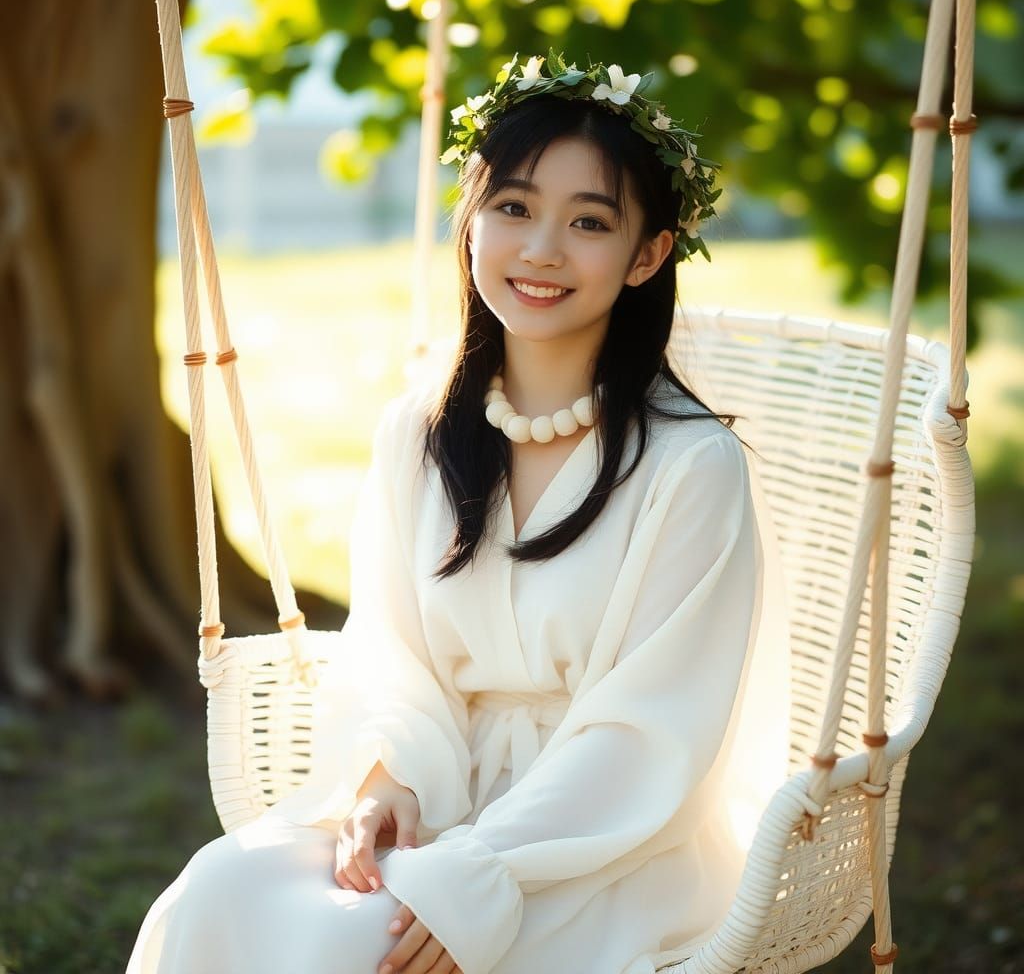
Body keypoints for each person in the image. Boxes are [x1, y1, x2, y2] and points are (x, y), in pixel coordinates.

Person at [126, 51, 791, 974]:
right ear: (472, 221)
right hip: (437, 796)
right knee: (218, 892)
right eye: (513, 208)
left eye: (588, 222)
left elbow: (652, 731)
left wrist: (480, 871)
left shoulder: (690, 466)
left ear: (648, 256)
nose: (542, 249)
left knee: (346, 951)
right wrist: (386, 778)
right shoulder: (421, 431)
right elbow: (392, 650)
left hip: (601, 844)